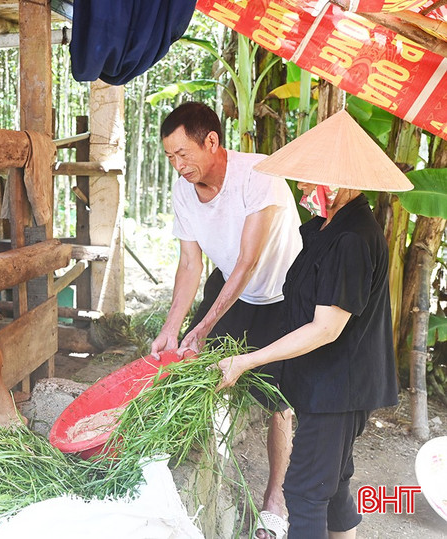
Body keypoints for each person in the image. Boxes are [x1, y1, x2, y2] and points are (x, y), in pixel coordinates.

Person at [215, 109, 410, 538]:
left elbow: (326, 328)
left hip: (339, 387)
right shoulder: (323, 227)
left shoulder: (353, 239)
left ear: (340, 182)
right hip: (326, 381)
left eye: (309, 178)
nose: (301, 187)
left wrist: (248, 360)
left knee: (303, 492)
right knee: (333, 486)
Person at [151, 101, 302, 539]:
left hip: (280, 293)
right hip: (230, 283)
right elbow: (189, 266)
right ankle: (196, 470)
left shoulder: (259, 174)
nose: (178, 166)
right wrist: (172, 327)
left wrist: (202, 326)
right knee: (192, 369)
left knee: (279, 401)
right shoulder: (184, 190)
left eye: (183, 154)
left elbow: (248, 262)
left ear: (212, 141)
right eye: (170, 157)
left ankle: (276, 499)